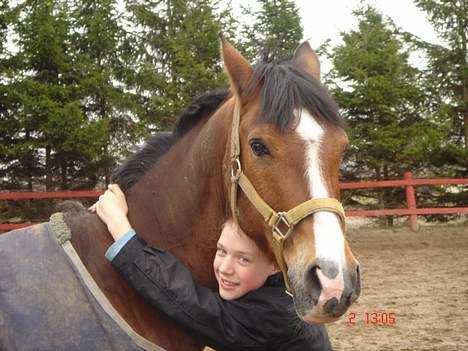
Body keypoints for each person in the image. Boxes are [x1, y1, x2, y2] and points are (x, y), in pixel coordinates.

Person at [90, 184, 332, 351]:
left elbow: (187, 302)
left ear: (275, 266)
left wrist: (119, 226)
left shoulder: (274, 316)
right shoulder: (280, 290)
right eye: (221, 251)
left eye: (244, 259)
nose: (225, 268)